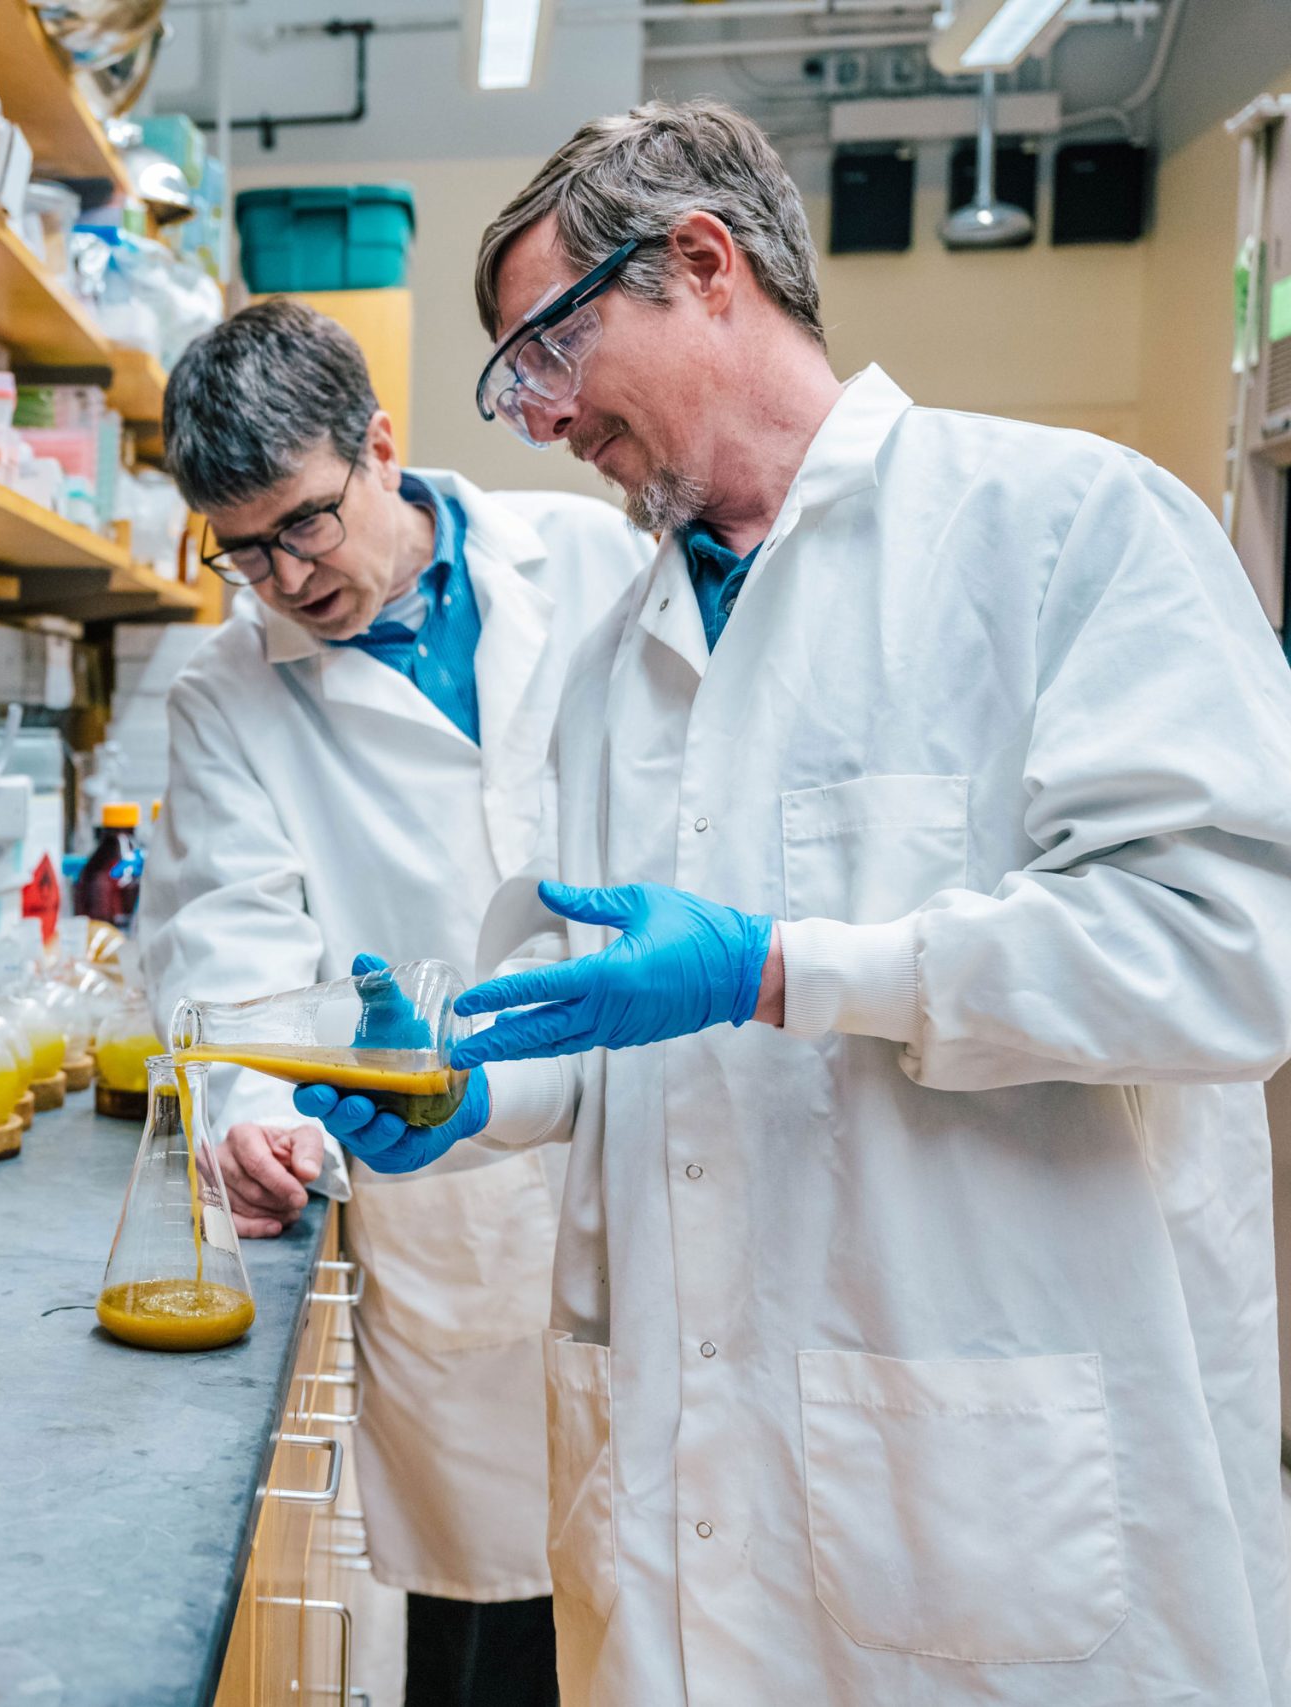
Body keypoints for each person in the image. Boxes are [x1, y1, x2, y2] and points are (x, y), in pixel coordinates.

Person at [302, 99, 1291, 1707]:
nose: (539, 422)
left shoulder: (1063, 530)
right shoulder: (621, 665)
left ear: (704, 264)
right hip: (695, 1511)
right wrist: (481, 1086)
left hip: (1001, 1494)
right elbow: (644, 1033)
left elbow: (1230, 956)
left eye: (549, 352)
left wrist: (786, 969)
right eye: (512, 386)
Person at [140, 297, 650, 1707]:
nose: (283, 578)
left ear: (378, 446)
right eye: (239, 549)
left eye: (303, 522)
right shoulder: (226, 695)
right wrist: (247, 1113)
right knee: (490, 1618)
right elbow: (228, 937)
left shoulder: (597, 556)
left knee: (676, 1579)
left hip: (658, 1124)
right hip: (456, 1194)